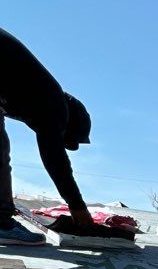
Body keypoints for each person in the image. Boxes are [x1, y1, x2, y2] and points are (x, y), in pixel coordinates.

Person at [0, 27, 95, 247]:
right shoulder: (54, 103)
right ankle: (2, 224)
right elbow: (55, 158)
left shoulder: (27, 91)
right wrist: (77, 205)